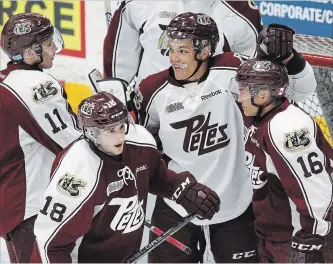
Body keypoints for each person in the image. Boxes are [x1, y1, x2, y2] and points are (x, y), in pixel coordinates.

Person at [136, 13, 317, 263]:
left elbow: (301, 89)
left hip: (236, 203)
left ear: (205, 50)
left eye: (182, 51)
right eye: (171, 49)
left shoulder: (234, 69)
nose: (173, 58)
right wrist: (176, 187)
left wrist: (288, 57)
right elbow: (143, 151)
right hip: (177, 204)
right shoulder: (151, 90)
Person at [31, 91, 221, 263]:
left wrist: (181, 189)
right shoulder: (77, 174)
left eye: (121, 126)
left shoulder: (139, 141)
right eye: (110, 131)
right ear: (91, 133)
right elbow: (50, 246)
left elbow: (155, 175)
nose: (120, 137)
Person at [230, 58, 333, 263]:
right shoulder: (260, 116)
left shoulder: (287, 127)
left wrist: (311, 237)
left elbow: (314, 188)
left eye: (243, 90)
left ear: (262, 94)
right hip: (275, 235)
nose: (239, 97)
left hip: (299, 236)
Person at [0, 13, 81, 263]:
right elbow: (72, 145)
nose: (55, 47)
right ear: (30, 53)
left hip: (12, 203)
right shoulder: (35, 87)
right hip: (31, 206)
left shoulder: (5, 81)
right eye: (48, 44)